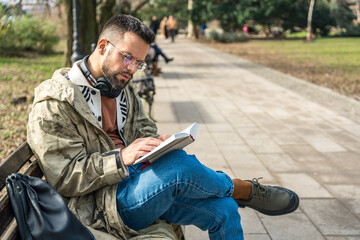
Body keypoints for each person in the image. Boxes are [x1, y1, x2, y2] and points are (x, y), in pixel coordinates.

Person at [27, 15, 299, 240]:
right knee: (180, 166)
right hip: (105, 204)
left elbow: (143, 126)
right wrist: (121, 158)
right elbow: (64, 176)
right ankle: (242, 189)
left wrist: (157, 143)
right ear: (102, 47)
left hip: (139, 182)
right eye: (127, 58)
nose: (132, 69)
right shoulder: (54, 104)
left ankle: (232, 194)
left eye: (139, 62)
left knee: (224, 209)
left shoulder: (121, 86)